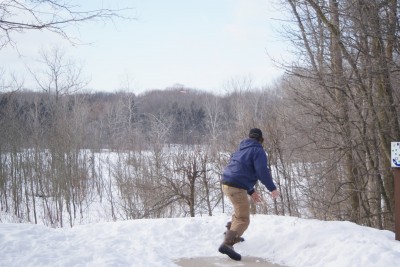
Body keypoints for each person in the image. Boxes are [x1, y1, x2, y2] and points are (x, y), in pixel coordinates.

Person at [218, 128, 279, 261]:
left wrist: (251, 191)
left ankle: (231, 232)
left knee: (239, 210)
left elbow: (240, 170)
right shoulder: (258, 150)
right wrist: (272, 188)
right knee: (243, 219)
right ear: (261, 139)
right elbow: (261, 171)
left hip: (226, 184)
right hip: (237, 187)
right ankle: (228, 244)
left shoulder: (241, 149)